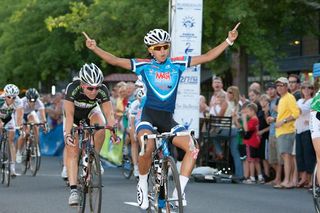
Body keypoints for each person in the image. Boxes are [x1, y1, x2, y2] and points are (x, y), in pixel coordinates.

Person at [83, 23, 240, 210]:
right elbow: (116, 60)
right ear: (150, 50)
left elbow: (206, 57)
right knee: (147, 146)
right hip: (148, 116)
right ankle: (142, 183)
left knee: (192, 147)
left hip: (167, 118)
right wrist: (95, 48)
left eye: (166, 46)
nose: (163, 51)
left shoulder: (178, 63)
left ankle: (178, 191)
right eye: (158, 48)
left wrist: (228, 41)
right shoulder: (144, 65)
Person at [63, 63, 116, 206]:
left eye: (97, 88)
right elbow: (68, 115)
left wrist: (113, 130)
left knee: (101, 124)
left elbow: (109, 114)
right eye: (90, 88)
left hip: (91, 113)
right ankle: (74, 190)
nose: (94, 91)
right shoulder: (73, 88)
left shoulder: (103, 90)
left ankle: (93, 157)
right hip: (73, 117)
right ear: (82, 84)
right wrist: (68, 134)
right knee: (72, 150)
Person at [273, 77, 300, 189]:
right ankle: (289, 181)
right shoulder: (282, 99)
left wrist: (283, 121)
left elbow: (296, 113)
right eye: (278, 85)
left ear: (287, 86)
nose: (279, 88)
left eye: (282, 85)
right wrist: (274, 120)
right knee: (286, 157)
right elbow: (284, 115)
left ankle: (287, 181)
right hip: (282, 131)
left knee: (287, 156)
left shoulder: (289, 97)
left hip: (287, 131)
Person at [16, 88, 48, 163]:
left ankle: (36, 147)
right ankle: (19, 152)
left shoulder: (39, 103)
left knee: (35, 125)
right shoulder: (21, 102)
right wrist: (20, 126)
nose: (32, 103)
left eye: (34, 101)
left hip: (30, 114)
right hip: (21, 115)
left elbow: (43, 117)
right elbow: (19, 116)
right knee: (24, 134)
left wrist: (44, 125)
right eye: (30, 101)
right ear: (27, 99)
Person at [0, 84, 24, 176]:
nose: (11, 99)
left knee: (11, 141)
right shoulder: (1, 99)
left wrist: (19, 125)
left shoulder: (18, 101)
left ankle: (12, 168)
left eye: (14, 97)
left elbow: (20, 114)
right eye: (9, 97)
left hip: (9, 119)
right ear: (5, 95)